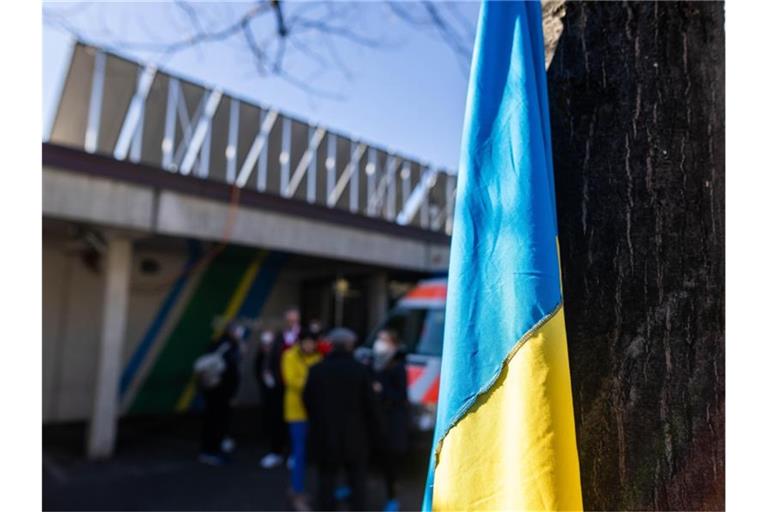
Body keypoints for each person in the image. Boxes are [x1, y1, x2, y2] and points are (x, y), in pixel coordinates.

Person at [303, 327, 381, 511]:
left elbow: (307, 400)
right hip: (356, 436)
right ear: (349, 345)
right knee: (357, 480)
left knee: (326, 479)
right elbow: (371, 405)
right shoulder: (360, 371)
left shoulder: (317, 370)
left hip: (325, 434)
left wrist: (318, 421)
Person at [282, 328, 323, 511]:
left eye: (312, 342)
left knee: (309, 453)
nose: (309, 345)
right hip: (297, 411)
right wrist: (312, 383)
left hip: (314, 411)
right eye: (306, 342)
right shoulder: (289, 356)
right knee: (299, 452)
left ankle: (303, 489)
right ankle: (297, 491)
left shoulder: (317, 357)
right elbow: (291, 380)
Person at [196, 322, 246, 466]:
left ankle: (211, 449)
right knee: (217, 422)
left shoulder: (217, 344)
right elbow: (231, 370)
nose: (239, 335)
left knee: (213, 421)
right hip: (220, 391)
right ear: (233, 332)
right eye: (238, 331)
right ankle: (211, 451)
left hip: (213, 390)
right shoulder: (229, 346)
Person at [258, 307, 301, 469]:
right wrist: (267, 373)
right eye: (289, 319)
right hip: (278, 385)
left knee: (295, 420)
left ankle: (294, 453)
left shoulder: (303, 337)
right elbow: (268, 357)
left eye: (294, 319)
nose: (291, 322)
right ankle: (276, 452)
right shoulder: (278, 336)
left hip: (296, 386)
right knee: (277, 418)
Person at [371, 330, 409, 512]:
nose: (380, 344)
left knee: (391, 464)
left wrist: (382, 392)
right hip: (380, 420)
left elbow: (401, 396)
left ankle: (392, 498)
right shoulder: (376, 363)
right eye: (379, 340)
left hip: (393, 422)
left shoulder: (398, 366)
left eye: (384, 340)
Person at [254, 328, 287, 469]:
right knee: (274, 424)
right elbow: (258, 373)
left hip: (283, 396)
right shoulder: (261, 357)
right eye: (265, 344)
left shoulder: (282, 357)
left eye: (270, 344)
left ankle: (286, 452)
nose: (267, 347)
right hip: (270, 398)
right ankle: (276, 451)